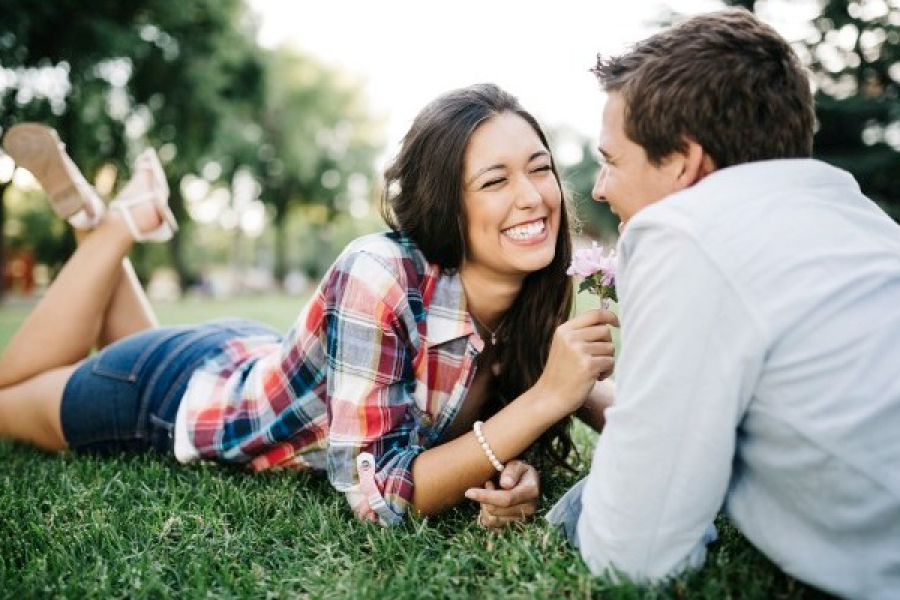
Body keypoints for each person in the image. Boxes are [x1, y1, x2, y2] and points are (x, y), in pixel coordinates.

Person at [0, 83, 618, 528]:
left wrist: (517, 473)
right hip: (164, 397)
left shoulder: (534, 292)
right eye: (495, 180)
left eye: (539, 170)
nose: (533, 197)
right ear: (445, 204)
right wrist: (544, 402)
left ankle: (94, 223)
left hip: (242, 357)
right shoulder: (381, 272)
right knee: (6, 392)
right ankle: (112, 230)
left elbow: (575, 417)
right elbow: (379, 497)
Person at [546, 8, 900, 598]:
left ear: (683, 162)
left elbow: (631, 553)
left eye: (611, 160)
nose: (601, 188)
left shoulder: (683, 235)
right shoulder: (859, 219)